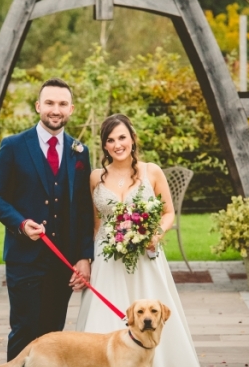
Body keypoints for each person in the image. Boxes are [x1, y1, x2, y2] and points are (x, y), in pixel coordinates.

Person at [76, 113, 201, 367]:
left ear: (133, 139)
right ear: (105, 145)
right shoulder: (95, 177)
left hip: (145, 256)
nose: (117, 145)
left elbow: (168, 213)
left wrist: (156, 235)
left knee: (150, 313)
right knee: (103, 318)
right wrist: (88, 260)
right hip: (107, 259)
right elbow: (95, 223)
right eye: (110, 140)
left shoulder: (151, 171)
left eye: (122, 137)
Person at [0, 78, 95, 361]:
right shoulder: (12, 146)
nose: (55, 110)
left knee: (52, 336)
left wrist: (85, 257)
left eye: (62, 104)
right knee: (24, 330)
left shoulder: (80, 152)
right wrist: (21, 224)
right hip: (25, 260)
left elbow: (85, 209)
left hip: (63, 262)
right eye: (49, 103)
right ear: (38, 106)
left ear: (71, 109)